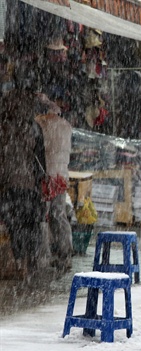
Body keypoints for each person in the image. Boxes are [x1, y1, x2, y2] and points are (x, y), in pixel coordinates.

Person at [0, 60, 47, 281]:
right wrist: (40, 183)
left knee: (16, 226)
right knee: (31, 225)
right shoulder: (33, 129)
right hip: (28, 186)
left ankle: (20, 263)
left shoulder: (4, 130)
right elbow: (40, 161)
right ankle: (31, 262)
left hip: (10, 185)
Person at [35, 94, 74, 271]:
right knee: (59, 215)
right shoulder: (66, 126)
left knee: (45, 216)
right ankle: (64, 255)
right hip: (61, 175)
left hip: (47, 174)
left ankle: (47, 256)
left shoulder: (42, 124)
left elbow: (42, 150)